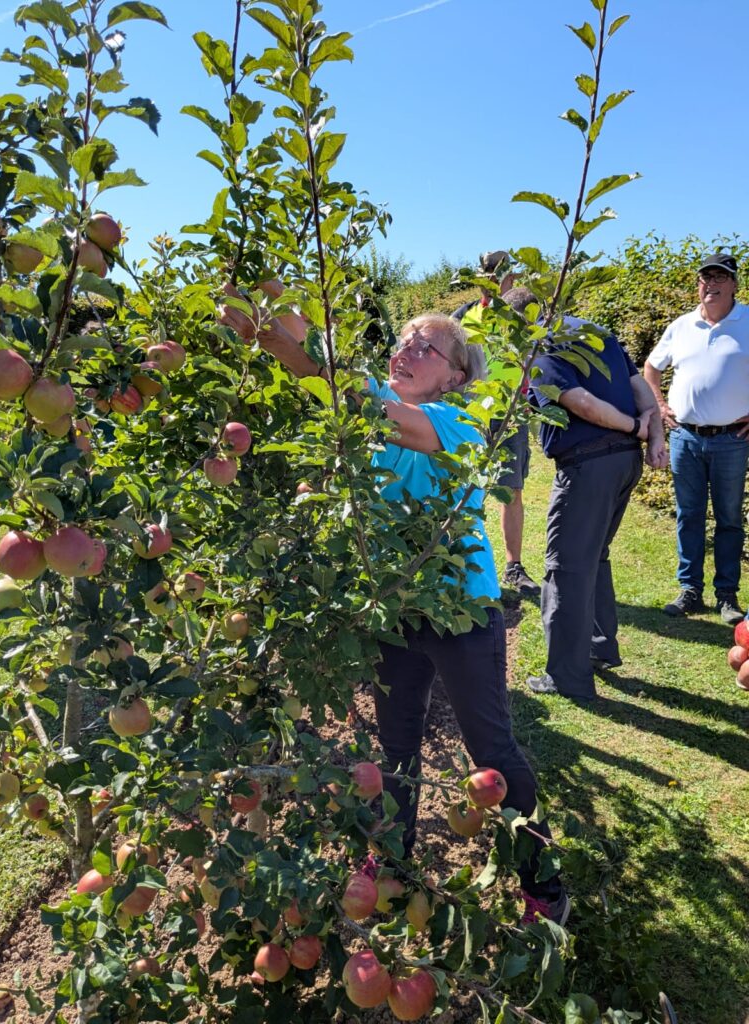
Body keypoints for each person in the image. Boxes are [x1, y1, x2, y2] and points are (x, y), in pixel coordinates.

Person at [220, 294, 570, 925]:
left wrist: (313, 358)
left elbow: (365, 405)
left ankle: (539, 873)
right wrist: (268, 326)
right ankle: (391, 856)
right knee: (396, 744)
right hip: (399, 610)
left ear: (456, 376)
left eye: (423, 346)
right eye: (401, 340)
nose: (403, 350)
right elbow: (322, 384)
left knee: (489, 746)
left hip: (462, 610)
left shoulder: (462, 421)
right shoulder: (375, 424)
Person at [524, 299, 667, 702]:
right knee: (594, 556)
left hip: (590, 464)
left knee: (566, 565)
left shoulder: (543, 344)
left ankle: (567, 676)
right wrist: (652, 436)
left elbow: (579, 402)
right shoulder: (596, 331)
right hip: (624, 462)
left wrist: (635, 426)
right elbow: (639, 385)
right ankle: (600, 646)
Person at [644, 252, 749, 624]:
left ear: (735, 284)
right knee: (688, 516)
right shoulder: (682, 325)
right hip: (685, 438)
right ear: (698, 284)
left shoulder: (747, 320)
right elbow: (651, 368)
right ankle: (689, 590)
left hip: (732, 439)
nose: (712, 284)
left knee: (729, 519)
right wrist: (658, 404)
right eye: (706, 278)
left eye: (721, 278)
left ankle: (727, 596)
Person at [452, 251, 539, 596]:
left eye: (498, 276)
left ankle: (513, 567)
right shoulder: (464, 315)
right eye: (485, 276)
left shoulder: (522, 315)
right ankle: (456, 560)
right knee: (458, 486)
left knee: (510, 490)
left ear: (510, 279)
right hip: (470, 414)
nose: (491, 282)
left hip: (510, 415)